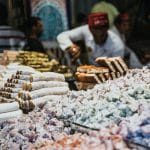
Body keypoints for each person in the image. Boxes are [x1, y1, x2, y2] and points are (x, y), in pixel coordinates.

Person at [57, 12, 125, 66]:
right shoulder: (85, 30)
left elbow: (116, 68)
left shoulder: (117, 44)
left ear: (107, 28)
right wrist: (71, 47)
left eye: (102, 28)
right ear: (90, 29)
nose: (99, 32)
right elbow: (62, 36)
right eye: (96, 28)